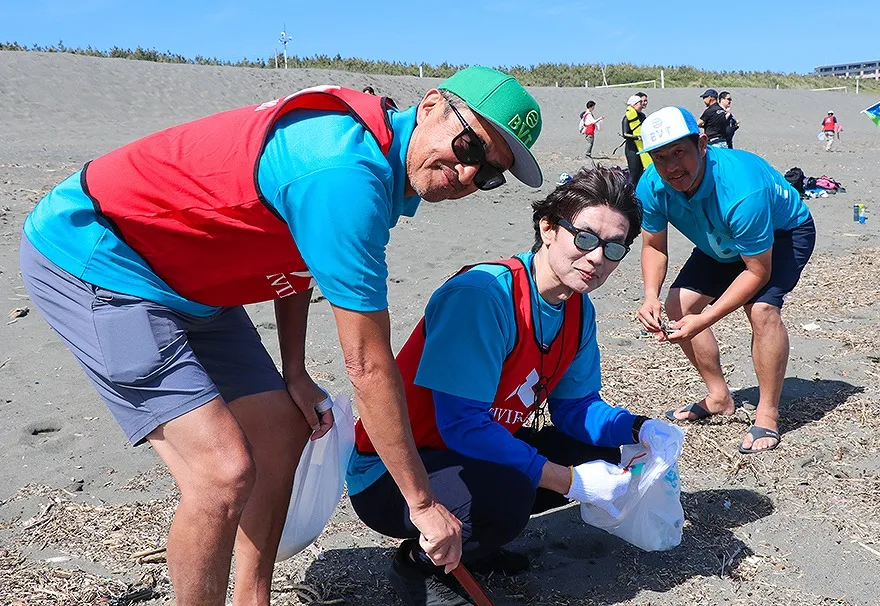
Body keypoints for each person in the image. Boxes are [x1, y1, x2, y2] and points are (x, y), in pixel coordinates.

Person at [19, 66, 544, 606]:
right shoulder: (345, 174)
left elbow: (298, 252)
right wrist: (422, 501)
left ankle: (253, 598)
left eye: (488, 174)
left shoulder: (375, 159)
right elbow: (366, 365)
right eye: (468, 144)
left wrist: (294, 371)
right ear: (432, 105)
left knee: (283, 429)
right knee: (223, 473)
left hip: (192, 279)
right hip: (98, 256)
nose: (466, 171)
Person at [348, 167, 671, 605]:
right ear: (549, 227)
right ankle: (420, 566)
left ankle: (476, 544)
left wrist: (640, 430)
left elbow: (575, 409)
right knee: (510, 491)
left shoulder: (578, 312)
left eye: (615, 247)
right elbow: (461, 425)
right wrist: (569, 481)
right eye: (586, 238)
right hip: (394, 471)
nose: (597, 258)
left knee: (607, 454)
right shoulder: (485, 296)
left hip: (467, 449)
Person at [634, 106, 815, 455]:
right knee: (676, 305)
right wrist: (650, 296)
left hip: (782, 233)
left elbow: (757, 271)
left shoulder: (741, 189)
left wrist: (705, 318)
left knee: (761, 309)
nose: (671, 167)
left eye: (679, 152)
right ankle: (719, 397)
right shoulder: (651, 185)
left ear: (701, 144)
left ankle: (768, 414)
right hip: (720, 237)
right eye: (660, 157)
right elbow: (653, 246)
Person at [621, 92, 651, 185]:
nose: (642, 105)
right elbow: (625, 134)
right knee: (634, 173)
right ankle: (629, 193)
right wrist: (638, 137)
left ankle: (639, 193)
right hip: (632, 149)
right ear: (634, 104)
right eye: (640, 103)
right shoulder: (627, 118)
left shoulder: (642, 116)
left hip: (642, 147)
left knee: (641, 172)